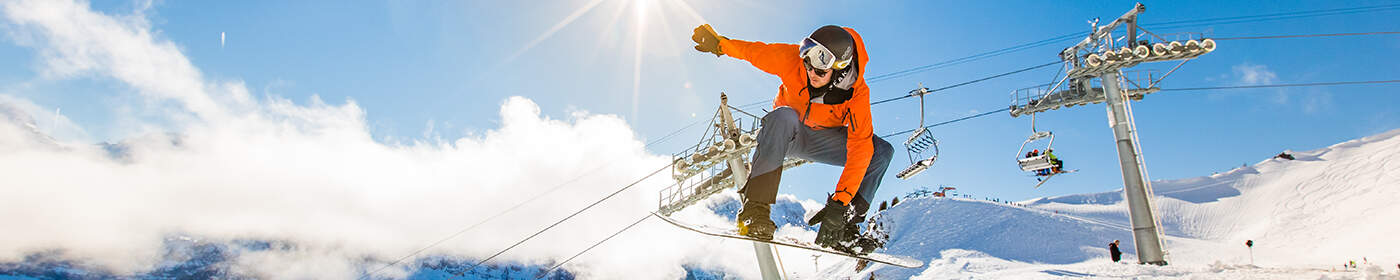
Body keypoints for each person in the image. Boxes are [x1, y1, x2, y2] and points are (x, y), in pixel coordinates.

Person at [691, 24, 893, 253]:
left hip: (824, 140)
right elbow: (755, 52)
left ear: (839, 71)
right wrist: (720, 44)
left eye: (820, 71)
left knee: (881, 152)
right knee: (784, 115)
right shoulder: (792, 60)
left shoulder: (857, 94)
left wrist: (840, 203)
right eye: (808, 64)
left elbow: (860, 147)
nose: (811, 73)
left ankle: (844, 228)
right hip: (788, 134)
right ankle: (755, 211)